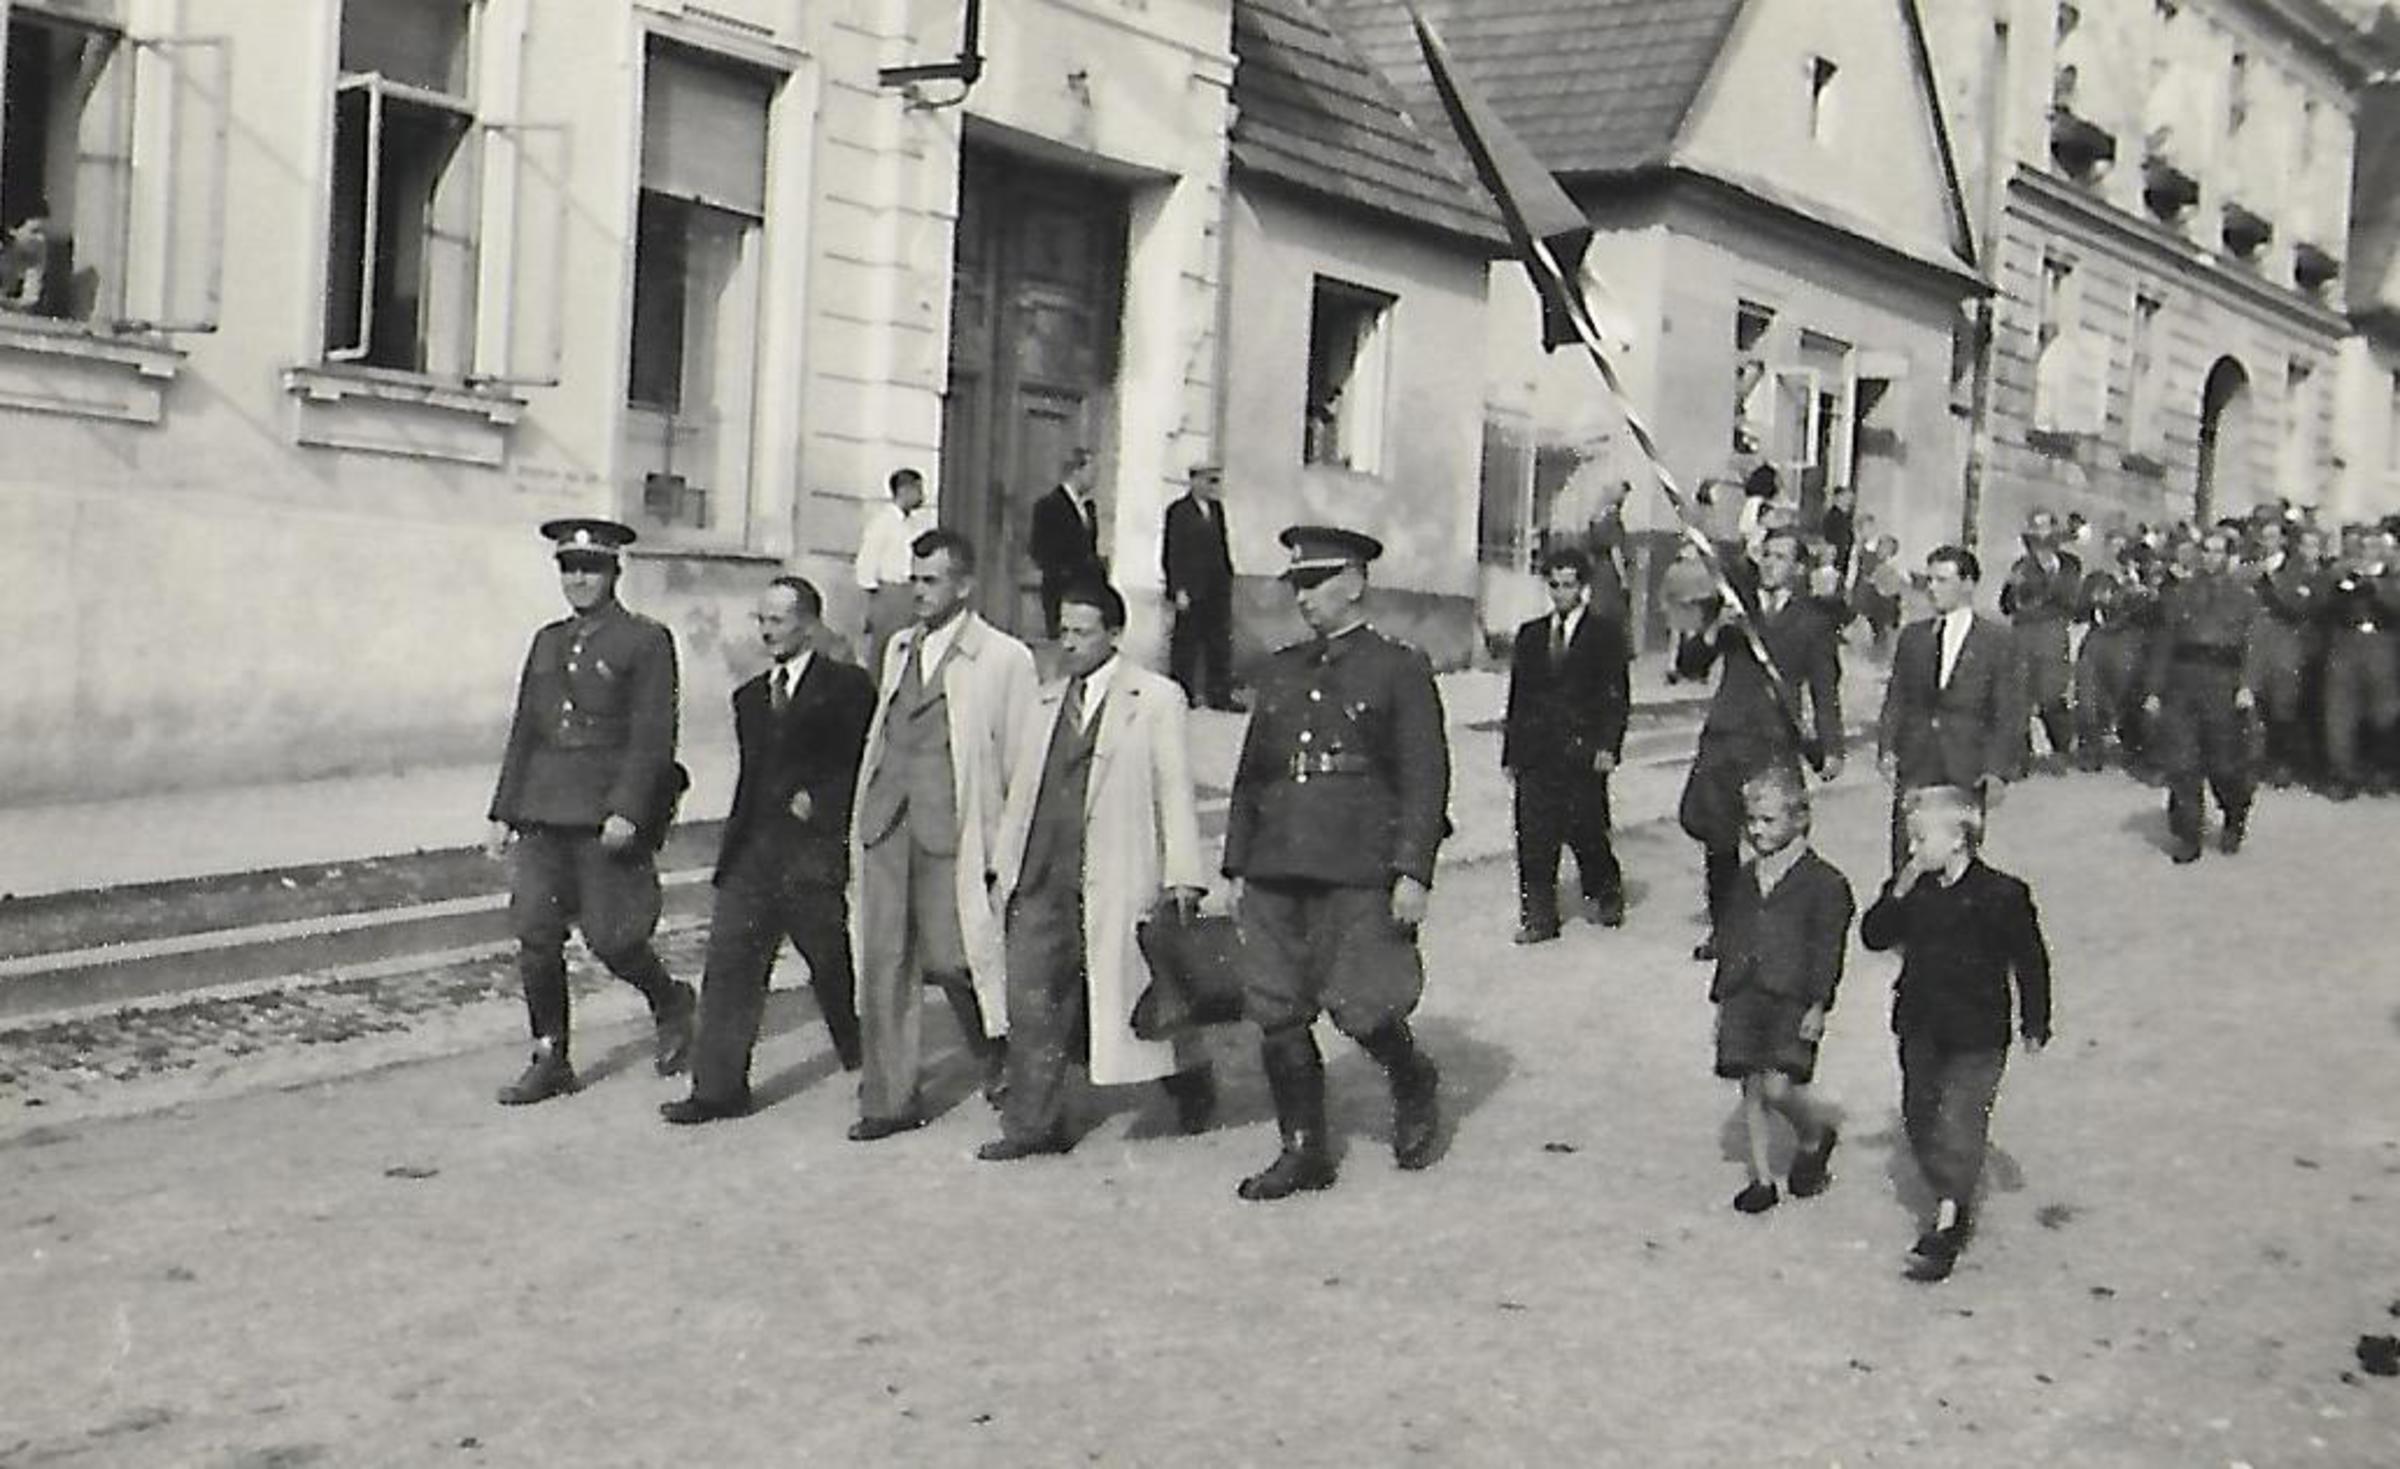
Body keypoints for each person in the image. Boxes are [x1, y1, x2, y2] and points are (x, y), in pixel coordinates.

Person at [1222, 525, 1450, 1200]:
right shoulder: (1282, 668)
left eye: (1316, 583)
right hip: (1276, 860)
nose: (1304, 597)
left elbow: (1425, 776)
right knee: (1275, 1005)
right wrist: (1236, 863)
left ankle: (1412, 1079)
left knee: (1365, 1004)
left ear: (1354, 583)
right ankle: (1304, 1150)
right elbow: (1253, 772)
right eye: (1297, 584)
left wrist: (1414, 869)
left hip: (1356, 860)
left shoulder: (1398, 668)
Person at [978, 580, 1217, 1159]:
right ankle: (1033, 1126)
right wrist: (1002, 866)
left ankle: (1190, 1078)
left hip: (1116, 869)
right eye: (1063, 631)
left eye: (1082, 632)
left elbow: (1174, 788)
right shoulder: (1044, 702)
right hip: (1042, 875)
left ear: (1114, 634)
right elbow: (1022, 793)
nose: (1069, 643)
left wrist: (1183, 875)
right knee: (1032, 998)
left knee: (1142, 996)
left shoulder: (1154, 697)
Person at [484, 518, 694, 1106]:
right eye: (569, 569)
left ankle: (672, 1000)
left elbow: (653, 736)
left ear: (614, 573)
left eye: (591, 568)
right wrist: (503, 810)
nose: (578, 579)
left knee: (614, 939)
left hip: (603, 813)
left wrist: (628, 808)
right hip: (541, 809)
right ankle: (550, 1056)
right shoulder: (547, 641)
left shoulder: (645, 640)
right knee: (535, 935)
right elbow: (525, 729)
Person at [661, 577, 874, 1125]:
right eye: (761, 620)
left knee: (830, 963)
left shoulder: (847, 687)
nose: (766, 631)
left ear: (809, 624)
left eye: (777, 620)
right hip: (754, 853)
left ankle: (862, 1052)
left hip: (811, 856)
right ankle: (719, 1089)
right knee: (730, 966)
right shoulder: (750, 698)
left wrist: (822, 801)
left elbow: (861, 764)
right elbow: (752, 781)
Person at [848, 529, 1039, 1140]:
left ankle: (995, 1048)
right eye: (914, 579)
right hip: (888, 821)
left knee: (957, 960)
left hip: (955, 829)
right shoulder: (900, 647)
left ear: (965, 585)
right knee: (884, 961)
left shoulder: (1004, 658)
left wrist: (1007, 847)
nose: (918, 592)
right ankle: (888, 1100)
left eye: (931, 581)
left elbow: (1020, 762)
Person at [1861, 786, 2053, 1283]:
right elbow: (1873, 936)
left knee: (1961, 1120)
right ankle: (1952, 1190)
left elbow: (2030, 960)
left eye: (1921, 838)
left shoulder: (2002, 894)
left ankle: (1948, 1219)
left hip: (1978, 1030)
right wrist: (1898, 890)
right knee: (1920, 1115)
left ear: (1958, 839)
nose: (1912, 848)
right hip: (1921, 1025)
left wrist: (2035, 1021)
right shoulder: (1913, 889)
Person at [1676, 527, 1846, 962]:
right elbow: (1690, 665)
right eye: (1766, 555)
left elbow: (1824, 689)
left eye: (1781, 557)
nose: (1769, 564)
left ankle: (1773, 930)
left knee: (1774, 839)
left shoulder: (1813, 622)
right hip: (1725, 737)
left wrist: (1832, 746)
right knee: (1718, 841)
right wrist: (1714, 631)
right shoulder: (1737, 608)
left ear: (1800, 568)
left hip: (1773, 741)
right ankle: (1725, 931)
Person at [1708, 767, 1853, 1215]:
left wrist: (1818, 1003)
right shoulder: (1745, 877)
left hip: (1791, 995)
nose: (1757, 830)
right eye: (1752, 820)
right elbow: (1731, 937)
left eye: (1768, 821)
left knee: (1777, 1086)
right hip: (1743, 991)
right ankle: (1763, 1178)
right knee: (1750, 1085)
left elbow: (1828, 948)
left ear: (1800, 820)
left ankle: (1813, 1135)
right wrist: (1721, 997)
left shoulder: (1825, 883)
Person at [1503, 547, 1630, 943]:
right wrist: (1512, 753)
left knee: (1586, 830)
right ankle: (1539, 918)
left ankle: (1606, 891)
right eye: (1554, 585)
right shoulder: (1531, 635)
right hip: (1537, 753)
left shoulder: (1605, 635)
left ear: (1583, 588)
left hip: (1582, 751)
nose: (1561, 593)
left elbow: (1616, 696)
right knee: (1533, 838)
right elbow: (1518, 697)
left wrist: (1608, 746)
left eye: (1569, 585)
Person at [1875, 546, 2023, 871]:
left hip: (1965, 765)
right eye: (1929, 580)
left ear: (1968, 584)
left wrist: (1997, 770)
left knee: (1957, 856)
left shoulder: (1995, 641)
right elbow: (1897, 697)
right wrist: (1887, 748)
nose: (1932, 588)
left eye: (1942, 580)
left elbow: (2007, 712)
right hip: (1917, 760)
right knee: (1907, 851)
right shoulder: (1914, 637)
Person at [2142, 527, 2266, 862]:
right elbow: (2164, 645)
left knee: (2224, 765)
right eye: (2206, 551)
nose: (2211, 558)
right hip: (2182, 684)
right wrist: (2154, 690)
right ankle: (2188, 835)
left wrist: (2247, 686)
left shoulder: (2245, 598)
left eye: (2218, 552)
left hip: (2223, 685)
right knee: (2182, 763)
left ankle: (2234, 815)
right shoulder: (2180, 594)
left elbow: (2254, 646)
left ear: (2229, 557)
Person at [2317, 526, 2400, 800]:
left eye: (2374, 547)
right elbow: (2324, 607)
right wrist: (2345, 585)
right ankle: (2343, 774)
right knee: (2339, 712)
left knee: (2383, 712)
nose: (2367, 553)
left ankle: (2379, 771)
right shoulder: (2344, 576)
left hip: (2381, 643)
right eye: (2362, 547)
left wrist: (2375, 587)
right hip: (2346, 644)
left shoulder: (2392, 578)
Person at [1999, 509, 2083, 769]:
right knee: (2019, 695)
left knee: (2051, 694)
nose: (2040, 534)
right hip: (2023, 634)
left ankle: (2062, 750)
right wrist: (2012, 587)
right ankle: (2020, 756)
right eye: (2035, 527)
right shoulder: (2021, 566)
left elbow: (2070, 600)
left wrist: (2050, 576)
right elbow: (2006, 606)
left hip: (2052, 633)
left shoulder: (2069, 565)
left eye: (2045, 527)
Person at [1162, 461, 1240, 711]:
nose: (1214, 487)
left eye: (1216, 481)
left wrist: (1228, 576)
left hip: (1216, 589)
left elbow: (1221, 546)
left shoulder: (1216, 509)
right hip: (1191, 589)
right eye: (1210, 481)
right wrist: (1178, 589)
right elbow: (1172, 552)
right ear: (1194, 481)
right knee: (1186, 644)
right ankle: (1181, 695)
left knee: (1219, 643)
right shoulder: (1179, 511)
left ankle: (1219, 696)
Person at [852, 467, 938, 677]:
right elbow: (866, 562)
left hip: (910, 590)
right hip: (889, 592)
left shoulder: (915, 525)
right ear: (904, 491)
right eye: (918, 490)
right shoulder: (883, 523)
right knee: (885, 647)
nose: (922, 496)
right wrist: (875, 600)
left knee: (907, 646)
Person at [1029, 448, 1103, 639]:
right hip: (1060, 589)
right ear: (1076, 471)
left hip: (1086, 590)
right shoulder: (1049, 506)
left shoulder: (1088, 508)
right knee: (1061, 642)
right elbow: (1039, 549)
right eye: (1091, 472)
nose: (1095, 478)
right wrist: (1064, 571)